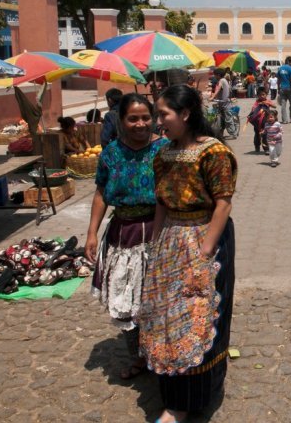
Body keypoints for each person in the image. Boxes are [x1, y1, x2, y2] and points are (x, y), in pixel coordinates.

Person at [138, 85, 237, 423]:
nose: (157, 120)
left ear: (185, 114)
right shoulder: (162, 153)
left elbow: (223, 203)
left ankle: (189, 401)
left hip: (205, 238)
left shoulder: (214, 153)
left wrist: (204, 254)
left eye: (163, 113)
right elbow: (161, 203)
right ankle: (173, 394)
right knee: (166, 317)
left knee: (198, 314)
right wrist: (155, 245)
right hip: (170, 242)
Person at [85, 94, 167, 380]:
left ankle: (160, 354)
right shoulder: (110, 153)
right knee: (127, 299)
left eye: (146, 117)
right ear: (120, 121)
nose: (141, 123)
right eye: (133, 118)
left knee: (155, 298)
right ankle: (138, 357)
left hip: (159, 231)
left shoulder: (165, 150)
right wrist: (91, 234)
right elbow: (100, 194)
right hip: (122, 234)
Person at [247, 87, 274, 154]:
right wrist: (251, 114)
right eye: (260, 95)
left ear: (266, 95)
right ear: (258, 96)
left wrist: (267, 103)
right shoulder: (257, 102)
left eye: (263, 94)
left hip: (266, 122)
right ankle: (257, 146)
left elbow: (274, 106)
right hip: (257, 122)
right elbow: (253, 109)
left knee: (265, 135)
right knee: (257, 134)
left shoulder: (267, 101)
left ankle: (266, 149)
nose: (261, 96)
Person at [277, 57, 291, 124]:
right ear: (288, 61)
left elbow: (278, 80)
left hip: (282, 88)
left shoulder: (280, 68)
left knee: (283, 105)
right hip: (289, 88)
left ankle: (284, 120)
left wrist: (278, 88)